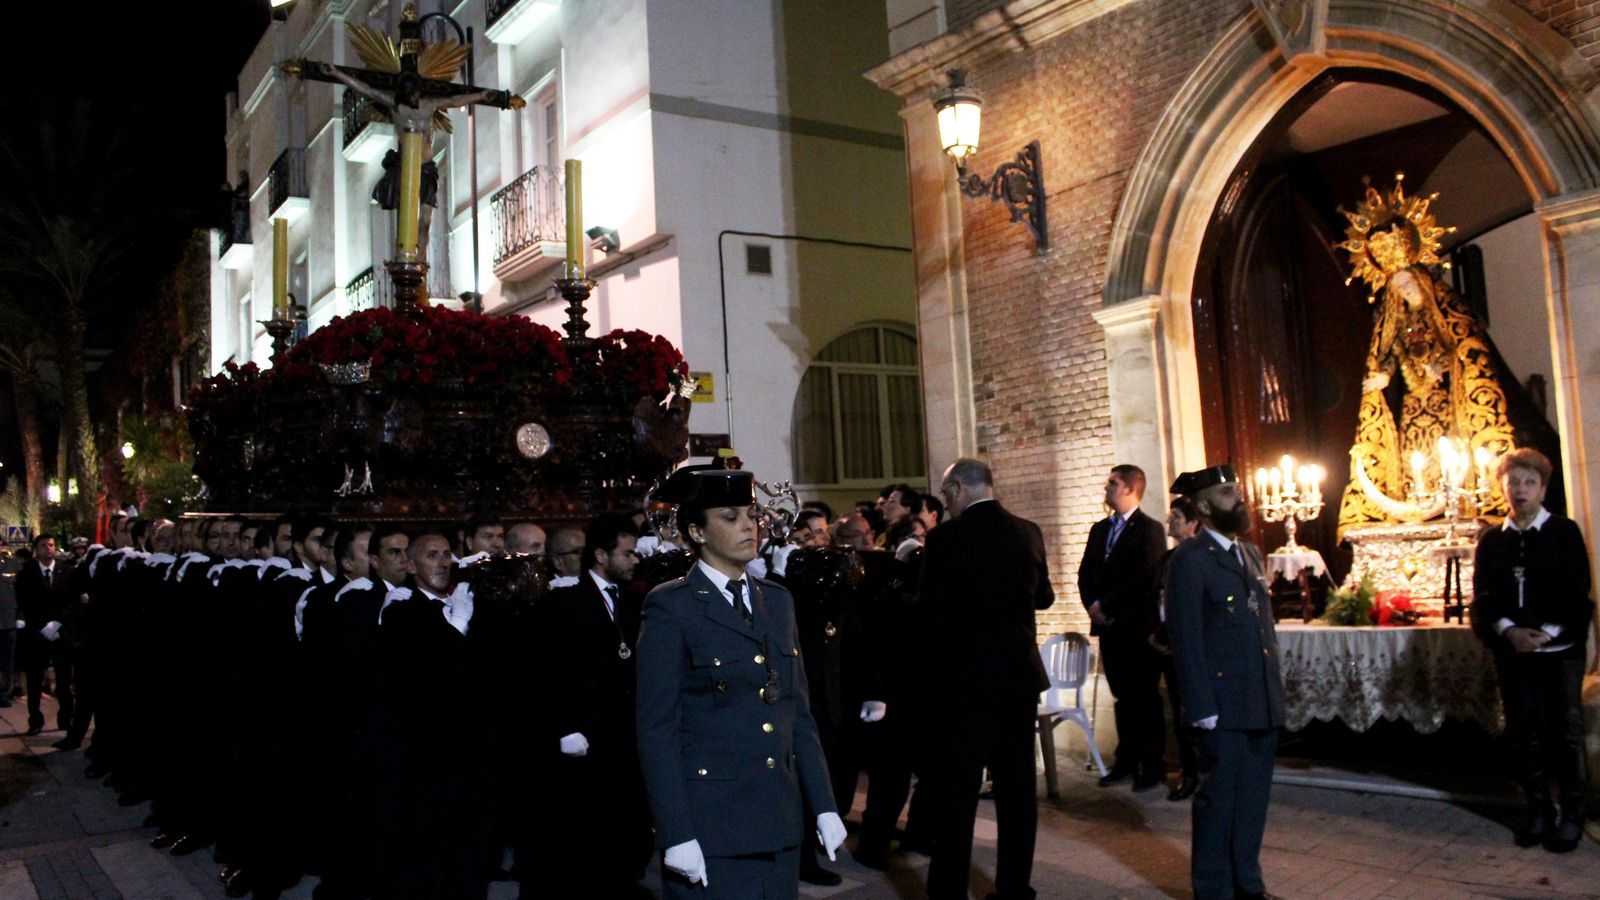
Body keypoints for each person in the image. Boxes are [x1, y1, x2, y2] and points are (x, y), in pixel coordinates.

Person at [635, 465, 845, 899]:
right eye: (730, 517)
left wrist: (823, 804)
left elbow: (797, 716)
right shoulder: (672, 607)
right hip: (713, 824)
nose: (749, 526)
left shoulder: (779, 601)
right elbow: (658, 730)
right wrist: (675, 831)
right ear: (696, 531)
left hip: (779, 820)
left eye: (751, 514)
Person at [922, 458, 1054, 900]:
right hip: (1017, 679)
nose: (946, 503)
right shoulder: (1028, 531)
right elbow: (1045, 598)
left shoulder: (945, 539)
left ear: (959, 488)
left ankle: (948, 893)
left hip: (965, 684)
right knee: (1017, 792)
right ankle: (1015, 889)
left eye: (946, 495)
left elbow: (933, 615)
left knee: (957, 795)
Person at [1165, 465, 1284, 900]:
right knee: (1218, 803)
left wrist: (1275, 696)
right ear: (1202, 505)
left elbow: (1261, 630)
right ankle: (1214, 890)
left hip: (1259, 699)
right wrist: (1202, 708)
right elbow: (1187, 639)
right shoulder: (1190, 560)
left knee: (1252, 802)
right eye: (1227, 491)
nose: (1239, 498)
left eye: (1237, 489)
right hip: (1221, 705)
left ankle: (1248, 885)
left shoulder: (1248, 554)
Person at [1470, 448, 1592, 853]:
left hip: (1560, 652)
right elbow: (1484, 598)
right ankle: (1538, 810)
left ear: (1542, 488)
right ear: (1502, 488)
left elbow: (1577, 591)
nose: (1519, 490)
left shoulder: (1563, 532)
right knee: (1526, 733)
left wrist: (1545, 633)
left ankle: (1572, 815)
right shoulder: (1492, 541)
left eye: (1528, 483)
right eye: (1513, 482)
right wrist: (1509, 632)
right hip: (1515, 652)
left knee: (1566, 733)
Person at [542, 513, 653, 896]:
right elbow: (557, 670)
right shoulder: (567, 601)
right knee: (593, 816)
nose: (635, 560)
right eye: (628, 553)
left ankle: (622, 879)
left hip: (626, 727)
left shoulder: (632, 598)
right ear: (602, 556)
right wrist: (567, 726)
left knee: (626, 812)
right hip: (591, 730)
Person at [1078, 464, 1168, 791]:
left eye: (1113, 483)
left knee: (1144, 696)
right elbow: (1085, 573)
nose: (1107, 488)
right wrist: (1093, 606)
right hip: (1109, 629)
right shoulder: (1099, 530)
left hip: (1136, 627)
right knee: (1122, 697)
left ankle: (1152, 764)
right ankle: (1126, 759)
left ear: (1130, 489)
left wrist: (1110, 606)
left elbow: (1145, 576)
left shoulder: (1150, 530)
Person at [1150, 496, 1201, 801]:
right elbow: (1159, 597)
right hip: (1168, 645)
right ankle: (1188, 771)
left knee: (1195, 713)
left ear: (1194, 523)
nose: (1170, 522)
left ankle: (1199, 772)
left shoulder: (1197, 557)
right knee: (1180, 712)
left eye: (1177, 517)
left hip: (1189, 646)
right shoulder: (1168, 558)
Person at [17, 534, 73, 737]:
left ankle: (66, 717)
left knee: (64, 679)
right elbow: (24, 603)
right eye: (43, 545)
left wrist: (57, 624)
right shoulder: (27, 574)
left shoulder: (66, 572)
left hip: (60, 633)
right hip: (37, 634)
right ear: (36, 549)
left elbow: (70, 601)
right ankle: (35, 720)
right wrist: (42, 626)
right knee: (34, 680)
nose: (48, 549)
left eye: (51, 545)